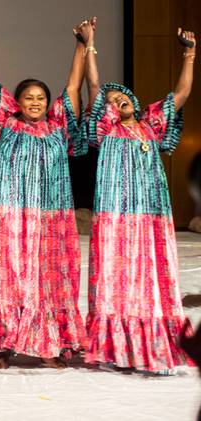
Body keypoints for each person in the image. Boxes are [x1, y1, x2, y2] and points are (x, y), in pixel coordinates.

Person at [82, 18, 195, 375]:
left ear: (134, 101)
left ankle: (153, 344)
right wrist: (90, 45)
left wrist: (190, 55)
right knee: (117, 273)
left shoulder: (152, 125)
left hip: (150, 215)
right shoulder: (106, 130)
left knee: (150, 274)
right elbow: (95, 86)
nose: (117, 101)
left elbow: (181, 95)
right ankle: (118, 346)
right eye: (112, 101)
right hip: (116, 215)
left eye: (122, 97)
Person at [0, 21, 87, 369]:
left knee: (49, 279)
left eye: (41, 98)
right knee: (10, 276)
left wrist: (82, 46)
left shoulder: (58, 126)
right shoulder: (7, 124)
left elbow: (73, 86)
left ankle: (50, 346)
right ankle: (4, 346)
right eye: (29, 97)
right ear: (19, 102)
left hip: (50, 219)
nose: (36, 102)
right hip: (12, 219)